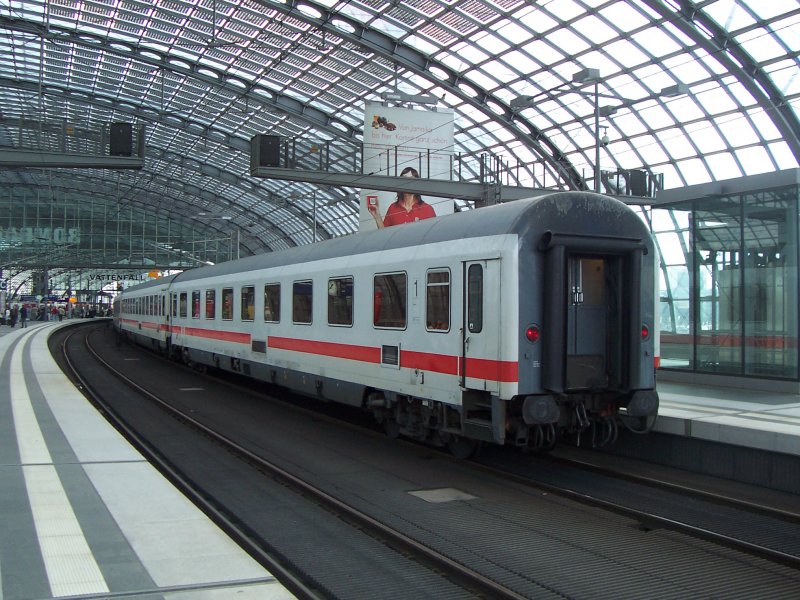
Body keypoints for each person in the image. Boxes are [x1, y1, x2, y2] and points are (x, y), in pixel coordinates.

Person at [367, 166, 436, 229]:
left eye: (411, 179)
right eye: (404, 179)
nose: (407, 183)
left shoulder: (428, 209)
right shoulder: (393, 208)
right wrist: (377, 217)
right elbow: (384, 235)